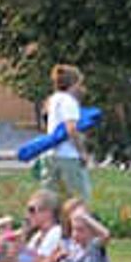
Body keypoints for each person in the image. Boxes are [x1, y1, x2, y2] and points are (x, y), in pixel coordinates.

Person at [37, 62, 91, 204]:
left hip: (50, 155)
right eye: (79, 83)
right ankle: (76, 226)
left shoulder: (52, 100)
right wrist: (82, 152)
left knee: (50, 201)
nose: (81, 87)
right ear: (73, 84)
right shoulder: (69, 102)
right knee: (78, 199)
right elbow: (71, 128)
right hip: (69, 156)